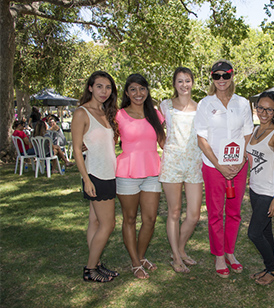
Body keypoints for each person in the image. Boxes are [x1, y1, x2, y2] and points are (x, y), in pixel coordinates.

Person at [194, 60, 253, 278]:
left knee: (235, 212)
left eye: (225, 75)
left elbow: (248, 134)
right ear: (212, 77)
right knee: (216, 212)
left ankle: (230, 252)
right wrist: (219, 165)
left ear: (231, 76)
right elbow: (201, 138)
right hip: (213, 166)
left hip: (238, 166)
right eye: (216, 76)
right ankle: (219, 255)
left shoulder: (243, 103)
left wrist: (240, 162)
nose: (221, 80)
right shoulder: (204, 104)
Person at [115, 74, 165, 279]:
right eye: (133, 89)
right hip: (127, 173)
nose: (138, 93)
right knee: (129, 218)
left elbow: (164, 142)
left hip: (152, 172)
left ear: (147, 91)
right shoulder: (118, 115)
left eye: (142, 89)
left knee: (150, 219)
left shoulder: (155, 114)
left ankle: (140, 256)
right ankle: (136, 263)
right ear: (127, 93)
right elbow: (108, 139)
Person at [71, 70, 119, 283]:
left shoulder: (104, 112)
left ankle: (96, 263)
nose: (104, 91)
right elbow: (76, 150)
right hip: (96, 175)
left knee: (95, 222)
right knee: (108, 224)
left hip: (109, 173)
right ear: (90, 87)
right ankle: (90, 269)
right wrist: (87, 180)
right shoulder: (82, 112)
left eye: (108, 87)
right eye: (99, 86)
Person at [159, 67, 203, 273]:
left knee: (194, 215)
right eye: (180, 81)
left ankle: (181, 249)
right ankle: (176, 257)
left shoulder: (201, 107)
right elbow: (156, 129)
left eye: (187, 80)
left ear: (192, 82)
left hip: (195, 163)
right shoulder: (165, 105)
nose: (184, 85)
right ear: (174, 84)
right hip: (172, 164)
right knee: (174, 212)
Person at [246, 91, 274, 285]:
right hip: (255, 189)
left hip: (269, 192)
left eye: (269, 109)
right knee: (265, 231)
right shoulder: (255, 130)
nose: (264, 112)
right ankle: (270, 267)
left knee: (254, 233)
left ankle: (273, 268)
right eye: (260, 107)